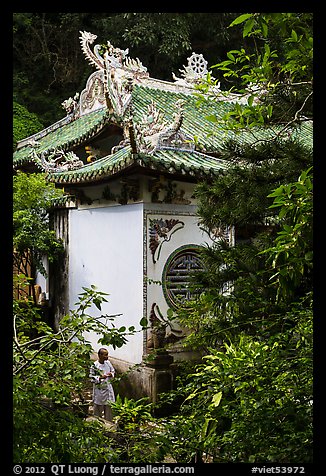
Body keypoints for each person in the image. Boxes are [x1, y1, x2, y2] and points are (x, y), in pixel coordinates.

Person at [89, 347, 115, 421]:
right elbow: (91, 378)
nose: (107, 357)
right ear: (100, 355)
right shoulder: (94, 365)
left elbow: (113, 371)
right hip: (99, 390)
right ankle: (98, 423)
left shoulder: (108, 363)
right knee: (98, 408)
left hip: (108, 388)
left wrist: (111, 374)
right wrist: (99, 378)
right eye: (105, 355)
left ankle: (109, 423)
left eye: (107, 355)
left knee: (109, 407)